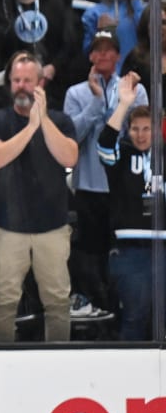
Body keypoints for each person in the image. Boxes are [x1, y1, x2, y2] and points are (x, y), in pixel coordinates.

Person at [0, 51, 78, 343]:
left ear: (40, 84)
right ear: (9, 84)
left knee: (58, 302)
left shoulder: (60, 120)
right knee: (3, 302)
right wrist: (30, 128)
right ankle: (1, 366)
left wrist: (43, 120)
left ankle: (58, 363)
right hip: (8, 227)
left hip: (52, 226)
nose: (21, 86)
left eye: (28, 80)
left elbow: (69, 157)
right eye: (16, 80)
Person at [64, 29, 146, 318]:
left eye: (109, 49)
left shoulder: (135, 90)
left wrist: (120, 106)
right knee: (91, 252)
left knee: (121, 252)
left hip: (123, 187)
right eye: (97, 50)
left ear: (118, 55)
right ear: (90, 55)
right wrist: (97, 104)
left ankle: (123, 305)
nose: (103, 55)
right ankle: (96, 304)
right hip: (89, 185)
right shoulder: (75, 93)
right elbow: (72, 135)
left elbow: (139, 133)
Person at [99, 77, 162, 341]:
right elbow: (104, 144)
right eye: (135, 129)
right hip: (130, 251)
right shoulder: (121, 155)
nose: (141, 134)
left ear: (157, 130)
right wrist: (124, 104)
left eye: (147, 128)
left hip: (164, 247)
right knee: (135, 316)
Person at [80, 0, 143, 73]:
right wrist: (99, 33)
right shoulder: (94, 13)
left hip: (139, 78)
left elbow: (151, 36)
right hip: (107, 78)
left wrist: (135, 0)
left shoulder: (144, 9)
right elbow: (87, 53)